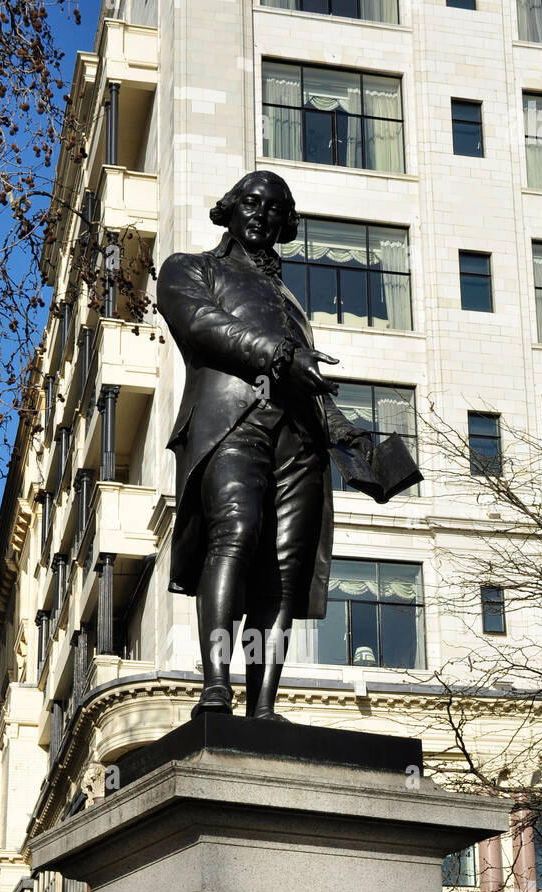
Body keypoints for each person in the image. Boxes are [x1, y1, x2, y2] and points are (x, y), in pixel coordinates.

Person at [157, 169, 376, 721]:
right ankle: (215, 687)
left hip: (299, 438)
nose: (262, 213)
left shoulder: (289, 302)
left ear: (286, 225)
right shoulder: (190, 268)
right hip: (232, 421)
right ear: (229, 208)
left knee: (285, 567)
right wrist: (280, 356)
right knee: (236, 534)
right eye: (252, 202)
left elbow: (312, 385)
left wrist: (353, 441)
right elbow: (201, 325)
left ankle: (263, 707)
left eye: (276, 209)